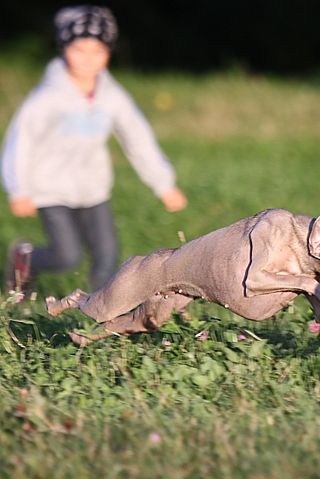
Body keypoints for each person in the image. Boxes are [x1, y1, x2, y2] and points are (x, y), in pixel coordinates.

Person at [2, 5, 187, 295]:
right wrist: (18, 188)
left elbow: (136, 136)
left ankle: (100, 313)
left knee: (107, 254)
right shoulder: (48, 97)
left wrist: (163, 183)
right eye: (79, 50)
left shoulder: (111, 96)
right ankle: (24, 259)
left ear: (109, 53)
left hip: (93, 188)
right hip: (50, 188)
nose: (88, 59)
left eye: (98, 51)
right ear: (65, 49)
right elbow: (20, 140)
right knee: (67, 256)